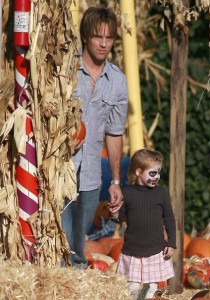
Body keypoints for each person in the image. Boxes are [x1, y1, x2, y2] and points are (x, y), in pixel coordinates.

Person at [61, 7, 128, 268]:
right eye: (98, 37)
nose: (103, 44)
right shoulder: (65, 71)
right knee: (62, 239)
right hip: (61, 169)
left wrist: (114, 180)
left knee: (78, 243)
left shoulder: (117, 81)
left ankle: (75, 283)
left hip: (90, 174)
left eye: (109, 38)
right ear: (86, 37)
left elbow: (114, 133)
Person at [109, 149, 176, 300]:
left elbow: (169, 219)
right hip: (132, 250)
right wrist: (114, 212)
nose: (157, 177)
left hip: (155, 249)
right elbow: (120, 218)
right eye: (153, 173)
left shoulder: (161, 193)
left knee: (151, 288)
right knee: (132, 287)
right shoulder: (127, 193)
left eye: (158, 172)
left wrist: (171, 243)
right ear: (138, 172)